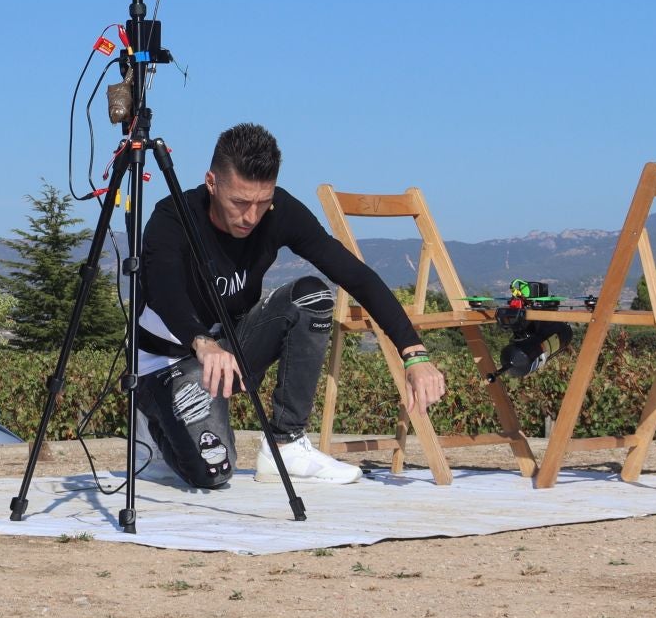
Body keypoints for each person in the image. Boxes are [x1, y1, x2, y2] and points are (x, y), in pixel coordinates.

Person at [134, 123, 446, 488]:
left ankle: (285, 445)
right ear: (212, 183)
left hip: (229, 346)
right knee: (213, 472)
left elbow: (355, 275)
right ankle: (153, 422)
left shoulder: (278, 211)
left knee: (312, 296)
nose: (251, 217)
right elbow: (164, 291)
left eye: (262, 203)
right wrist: (201, 342)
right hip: (167, 357)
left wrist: (414, 353)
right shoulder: (173, 217)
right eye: (240, 203)